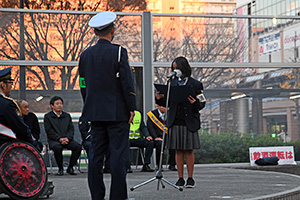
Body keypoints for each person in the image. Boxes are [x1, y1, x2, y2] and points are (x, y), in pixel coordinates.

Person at [78, 11, 137, 200]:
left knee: (95, 157)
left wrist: (89, 102)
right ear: (113, 30)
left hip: (94, 112)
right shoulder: (119, 52)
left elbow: (83, 84)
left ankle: (97, 196)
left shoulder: (85, 55)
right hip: (117, 112)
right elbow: (127, 84)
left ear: (95, 32)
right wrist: (131, 108)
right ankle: (117, 197)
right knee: (118, 157)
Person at [156, 56, 206, 188]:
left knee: (189, 150)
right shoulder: (171, 84)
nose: (175, 71)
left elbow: (202, 103)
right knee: (178, 150)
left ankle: (190, 178)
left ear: (184, 68)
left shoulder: (196, 84)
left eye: (177, 68)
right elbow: (166, 103)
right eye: (173, 69)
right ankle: (180, 178)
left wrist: (195, 103)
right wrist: (159, 99)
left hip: (189, 120)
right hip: (175, 120)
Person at [44, 96, 81, 176]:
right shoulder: (48, 117)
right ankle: (60, 168)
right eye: (57, 104)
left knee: (77, 147)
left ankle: (70, 167)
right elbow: (49, 131)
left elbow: (71, 129)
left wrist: (67, 138)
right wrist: (59, 139)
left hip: (67, 139)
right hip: (54, 140)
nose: (59, 105)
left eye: (61, 103)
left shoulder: (67, 116)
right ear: (52, 106)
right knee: (57, 148)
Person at [0, 67, 33, 146]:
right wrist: (32, 142)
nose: (11, 86)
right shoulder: (7, 104)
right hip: (6, 149)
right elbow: (21, 129)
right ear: (3, 85)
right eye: (10, 83)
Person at [146, 102, 177, 171]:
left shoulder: (169, 114)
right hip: (156, 136)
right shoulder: (152, 115)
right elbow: (150, 128)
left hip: (167, 136)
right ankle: (159, 165)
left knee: (173, 143)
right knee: (159, 144)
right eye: (164, 106)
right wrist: (155, 137)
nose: (166, 108)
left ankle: (172, 164)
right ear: (158, 106)